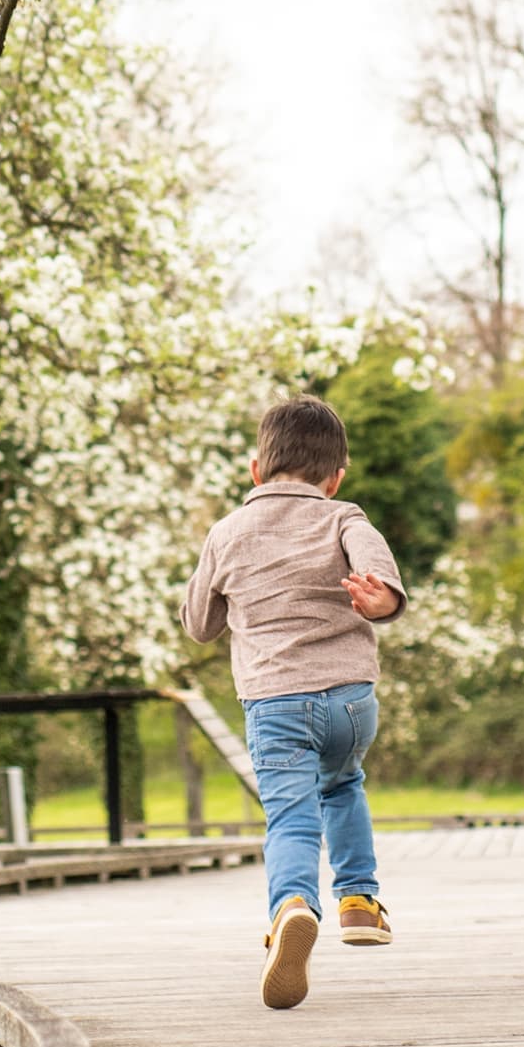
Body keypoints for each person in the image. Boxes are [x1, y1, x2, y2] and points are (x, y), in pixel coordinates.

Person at [181, 394, 408, 1010]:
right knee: (343, 784)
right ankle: (359, 901)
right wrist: (377, 602)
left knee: (290, 816)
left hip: (276, 701)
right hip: (352, 701)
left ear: (256, 469)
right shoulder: (345, 518)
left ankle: (291, 906)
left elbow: (200, 624)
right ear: (337, 476)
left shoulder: (226, 533)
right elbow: (383, 587)